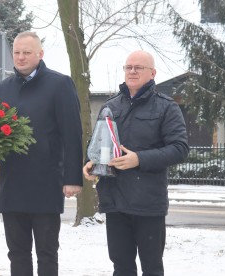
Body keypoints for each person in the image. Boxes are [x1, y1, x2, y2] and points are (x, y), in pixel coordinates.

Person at [83, 50, 189, 276]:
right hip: (115, 201)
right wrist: (90, 162)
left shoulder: (167, 107)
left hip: (148, 203)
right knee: (121, 268)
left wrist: (138, 159)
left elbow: (179, 149)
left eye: (138, 67)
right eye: (128, 67)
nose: (132, 71)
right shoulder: (110, 106)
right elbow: (99, 142)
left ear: (153, 73)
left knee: (151, 268)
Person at [0, 31, 83, 276]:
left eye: (26, 52)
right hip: (12, 183)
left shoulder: (59, 84)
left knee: (46, 252)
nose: (20, 57)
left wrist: (73, 177)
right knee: (17, 253)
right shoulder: (1, 89)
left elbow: (72, 133)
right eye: (17, 52)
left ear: (40, 54)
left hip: (46, 182)